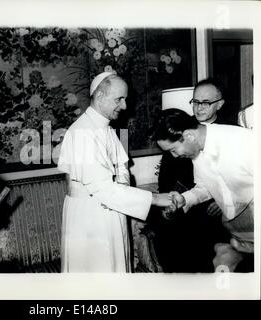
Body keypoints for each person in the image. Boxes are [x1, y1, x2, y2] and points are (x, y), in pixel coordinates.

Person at [57, 71, 174, 272]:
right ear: (100, 96)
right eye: (119, 99)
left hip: (111, 211)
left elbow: (122, 171)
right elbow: (102, 189)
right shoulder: (82, 133)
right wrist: (155, 198)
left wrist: (121, 188)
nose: (125, 106)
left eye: (125, 99)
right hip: (91, 218)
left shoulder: (106, 129)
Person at [154, 109, 254, 272]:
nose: (174, 156)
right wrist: (184, 199)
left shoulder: (242, 141)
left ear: (189, 136)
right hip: (237, 235)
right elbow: (205, 187)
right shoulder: (198, 151)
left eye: (173, 149)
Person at [155, 78, 234, 272]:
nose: (199, 108)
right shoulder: (181, 129)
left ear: (220, 104)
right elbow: (167, 171)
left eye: (205, 103)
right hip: (186, 212)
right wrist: (173, 199)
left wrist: (223, 200)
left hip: (217, 217)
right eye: (195, 101)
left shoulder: (232, 133)